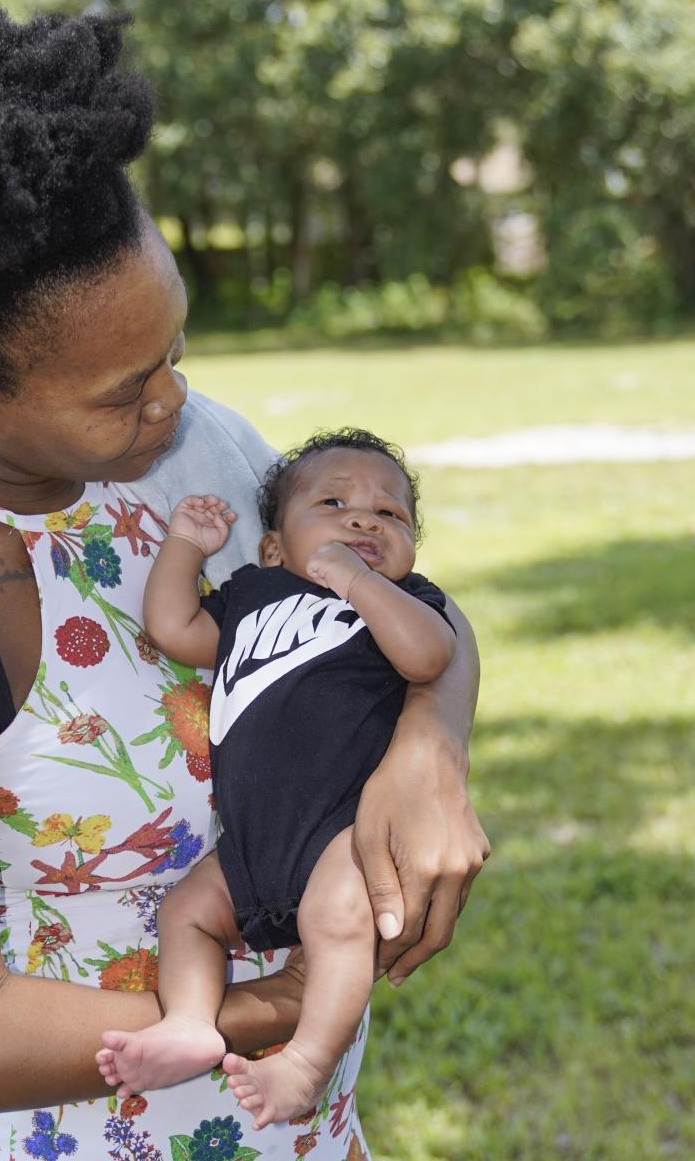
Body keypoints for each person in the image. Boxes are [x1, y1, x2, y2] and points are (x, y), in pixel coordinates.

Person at [0, 0, 489, 1161]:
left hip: (301, 1131)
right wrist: (273, 1013)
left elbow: (388, 600)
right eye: (123, 389)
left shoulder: (197, 446)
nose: (171, 402)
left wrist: (435, 736)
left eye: (171, 350)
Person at [96, 431, 457, 1128]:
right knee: (188, 914)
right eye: (334, 503)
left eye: (391, 515)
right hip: (250, 843)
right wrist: (185, 546)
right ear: (272, 549)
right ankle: (192, 1023)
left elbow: (428, 656)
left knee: (339, 920)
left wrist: (360, 582)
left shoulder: (401, 601)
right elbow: (175, 627)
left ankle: (307, 1062)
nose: (364, 520)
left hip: (340, 831)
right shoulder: (253, 596)